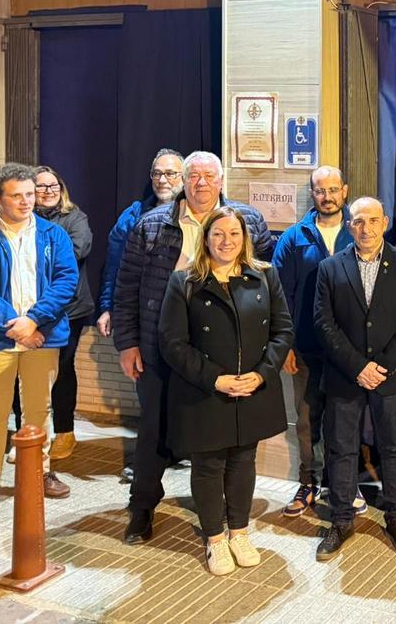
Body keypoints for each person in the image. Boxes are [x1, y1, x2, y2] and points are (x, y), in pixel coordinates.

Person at [113, 150, 275, 544]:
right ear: (183, 181)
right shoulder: (152, 224)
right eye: (193, 176)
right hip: (161, 346)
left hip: (223, 355)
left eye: (209, 176)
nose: (201, 183)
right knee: (153, 431)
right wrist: (128, 343)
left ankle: (227, 517)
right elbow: (127, 285)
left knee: (221, 439)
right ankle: (142, 507)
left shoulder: (246, 221)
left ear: (222, 180)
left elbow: (266, 283)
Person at [158, 207, 293, 575]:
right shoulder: (184, 282)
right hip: (205, 391)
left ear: (244, 238)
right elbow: (172, 343)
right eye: (218, 234)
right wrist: (215, 378)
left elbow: (282, 331)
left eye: (234, 234)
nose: (226, 241)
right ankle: (215, 539)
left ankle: (239, 532)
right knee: (208, 465)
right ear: (205, 239)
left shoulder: (264, 276)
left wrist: (262, 374)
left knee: (243, 461)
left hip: (251, 389)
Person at [0, 163, 79, 520]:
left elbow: (66, 280)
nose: (27, 201)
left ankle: (39, 473)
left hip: (42, 336)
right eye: (17, 195)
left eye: (30, 194)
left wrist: (34, 320)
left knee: (38, 411)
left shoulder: (54, 235)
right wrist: (17, 326)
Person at [313, 197, 396, 560]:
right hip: (345, 376)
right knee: (341, 448)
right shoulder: (330, 268)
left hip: (391, 376)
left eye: (373, 221)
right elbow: (323, 323)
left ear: (386, 222)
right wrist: (357, 367)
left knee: (394, 446)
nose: (366, 228)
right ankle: (341, 519)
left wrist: (382, 366)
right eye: (359, 222)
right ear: (349, 226)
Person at [272, 165, 353, 517]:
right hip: (305, 347)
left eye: (333, 189)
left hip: (350, 350)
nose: (327, 196)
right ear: (312, 194)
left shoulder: (358, 230)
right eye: (320, 190)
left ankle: (343, 484)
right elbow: (280, 296)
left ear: (344, 191)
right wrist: (285, 346)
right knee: (307, 421)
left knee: (344, 419)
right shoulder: (294, 237)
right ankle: (308, 481)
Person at [25, 166, 95, 462]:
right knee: (26, 373)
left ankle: (65, 432)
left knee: (62, 370)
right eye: (41, 187)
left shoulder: (75, 218)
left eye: (53, 185)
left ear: (61, 188)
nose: (48, 191)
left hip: (69, 309)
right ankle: (29, 433)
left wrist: (34, 256)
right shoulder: (22, 219)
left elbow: (77, 251)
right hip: (29, 309)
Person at [97, 149, 185, 338]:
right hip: (142, 314)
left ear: (185, 177)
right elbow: (114, 266)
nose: (162, 180)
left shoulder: (196, 215)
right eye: (157, 174)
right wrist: (108, 307)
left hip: (184, 312)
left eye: (170, 173)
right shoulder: (133, 216)